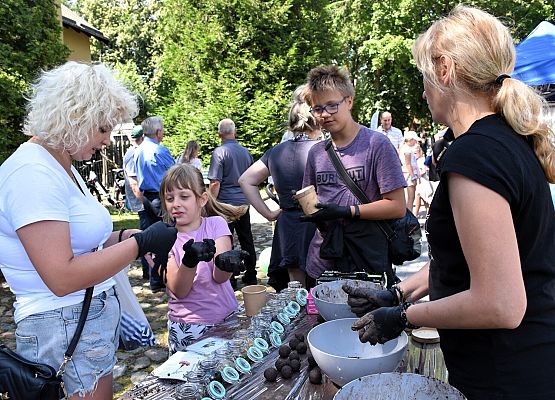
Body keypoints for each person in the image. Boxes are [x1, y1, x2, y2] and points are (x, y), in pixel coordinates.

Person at [344, 6, 555, 399]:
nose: (423, 90)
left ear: (444, 70)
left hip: (507, 375)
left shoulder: (475, 156)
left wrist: (404, 317)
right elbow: (469, 262)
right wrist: (401, 292)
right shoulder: (502, 141)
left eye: (424, 76)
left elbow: (501, 303)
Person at [0, 61, 177, 399]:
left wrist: (126, 238)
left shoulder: (59, 165)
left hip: (77, 323)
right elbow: (61, 275)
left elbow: (84, 244)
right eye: (102, 128)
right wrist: (139, 244)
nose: (108, 140)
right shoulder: (31, 173)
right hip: (59, 325)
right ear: (73, 118)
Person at [300, 65, 406, 288]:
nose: (325, 114)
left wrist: (347, 212)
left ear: (349, 101)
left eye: (332, 105)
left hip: (366, 261)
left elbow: (397, 207)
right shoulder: (316, 153)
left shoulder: (376, 144)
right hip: (324, 261)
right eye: (317, 108)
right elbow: (311, 199)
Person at [159, 164, 248, 355]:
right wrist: (190, 261)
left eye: (184, 196)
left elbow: (220, 277)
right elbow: (180, 290)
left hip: (225, 318)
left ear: (202, 199)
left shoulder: (216, 224)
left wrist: (226, 262)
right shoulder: (162, 238)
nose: (175, 203)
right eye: (169, 198)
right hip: (188, 327)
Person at [239, 94, 322, 291]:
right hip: (318, 225)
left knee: (296, 289)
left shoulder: (275, 152)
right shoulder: (323, 150)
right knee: (322, 287)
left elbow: (245, 180)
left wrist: (268, 214)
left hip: (288, 226)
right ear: (315, 121)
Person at [208, 118, 257, 287]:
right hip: (243, 203)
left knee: (225, 241)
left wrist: (210, 202)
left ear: (219, 134)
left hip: (225, 205)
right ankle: (251, 274)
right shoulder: (245, 152)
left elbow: (215, 182)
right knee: (247, 239)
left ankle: (229, 277)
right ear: (234, 132)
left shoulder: (219, 153)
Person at [134, 115, 175, 291]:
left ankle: (155, 278)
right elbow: (176, 173)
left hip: (146, 198)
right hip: (160, 197)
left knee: (151, 238)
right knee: (168, 237)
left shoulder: (138, 150)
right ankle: (167, 277)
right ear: (158, 132)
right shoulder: (160, 150)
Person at [123, 125, 149, 279]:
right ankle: (148, 271)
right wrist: (145, 202)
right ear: (143, 138)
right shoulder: (133, 154)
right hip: (140, 200)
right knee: (145, 234)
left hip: (141, 200)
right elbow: (133, 181)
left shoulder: (135, 152)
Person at [400, 130, 422, 212]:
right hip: (409, 175)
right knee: (410, 198)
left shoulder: (405, 148)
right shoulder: (407, 150)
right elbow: (408, 164)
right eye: (414, 140)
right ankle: (409, 217)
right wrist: (413, 176)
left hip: (407, 174)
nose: (416, 142)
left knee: (409, 198)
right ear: (410, 140)